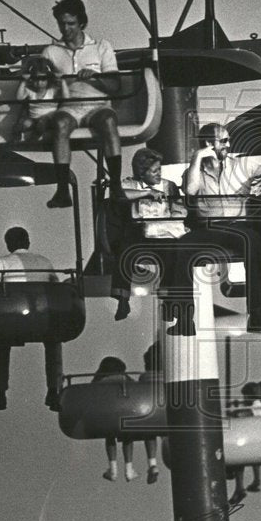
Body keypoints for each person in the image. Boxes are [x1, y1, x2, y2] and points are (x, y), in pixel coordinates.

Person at [165, 123, 261, 336]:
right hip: (207, 228)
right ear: (208, 144)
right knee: (182, 246)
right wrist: (197, 158)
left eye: (228, 140)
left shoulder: (243, 166)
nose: (228, 145)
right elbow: (190, 190)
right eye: (223, 141)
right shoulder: (194, 171)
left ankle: (256, 315)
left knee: (251, 240)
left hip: (235, 227)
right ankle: (185, 318)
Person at [42, 0, 122, 209]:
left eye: (71, 24)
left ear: (81, 23)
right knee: (60, 124)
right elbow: (40, 84)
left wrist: (96, 77)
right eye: (61, 24)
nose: (65, 29)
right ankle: (62, 189)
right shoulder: (51, 52)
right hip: (70, 106)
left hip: (98, 105)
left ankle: (116, 185)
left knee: (108, 121)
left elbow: (115, 86)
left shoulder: (101, 47)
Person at [0, 227, 62, 411]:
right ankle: (53, 389)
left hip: (11, 318)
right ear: (28, 242)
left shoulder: (2, 263)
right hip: (40, 318)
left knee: (2, 343)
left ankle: (0, 391)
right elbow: (55, 286)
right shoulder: (44, 262)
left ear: (9, 244)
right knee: (53, 343)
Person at [111, 148, 187, 321]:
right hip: (139, 232)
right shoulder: (130, 184)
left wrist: (174, 218)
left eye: (159, 170)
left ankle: (168, 300)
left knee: (171, 253)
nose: (158, 174)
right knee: (125, 250)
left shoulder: (169, 186)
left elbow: (178, 209)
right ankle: (123, 299)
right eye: (154, 171)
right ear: (141, 173)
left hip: (163, 231)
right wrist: (147, 193)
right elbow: (118, 194)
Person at [92, 356, 139, 482]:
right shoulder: (124, 378)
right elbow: (137, 388)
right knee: (128, 437)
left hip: (107, 417)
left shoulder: (99, 382)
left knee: (110, 436)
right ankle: (129, 468)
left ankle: (113, 468)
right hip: (124, 414)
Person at [132, 342, 163, 484]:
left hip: (151, 411)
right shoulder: (168, 376)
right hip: (168, 410)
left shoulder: (144, 377)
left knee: (149, 432)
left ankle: (152, 463)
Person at [15, 55, 66, 142]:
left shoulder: (52, 91)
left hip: (49, 119)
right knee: (25, 123)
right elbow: (19, 98)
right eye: (36, 79)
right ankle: (16, 138)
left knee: (42, 123)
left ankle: (34, 139)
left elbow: (66, 97)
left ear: (48, 79)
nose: (39, 83)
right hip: (33, 119)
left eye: (43, 79)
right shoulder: (30, 91)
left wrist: (62, 80)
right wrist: (23, 81)